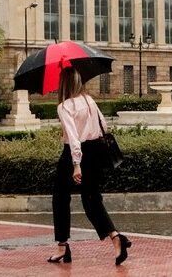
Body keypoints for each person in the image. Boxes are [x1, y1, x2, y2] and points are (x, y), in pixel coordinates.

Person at [48, 67, 131, 266]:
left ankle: (62, 246)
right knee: (92, 199)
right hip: (95, 153)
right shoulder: (89, 100)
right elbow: (104, 124)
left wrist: (76, 164)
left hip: (74, 155)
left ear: (63, 84)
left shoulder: (64, 106)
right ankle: (115, 237)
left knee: (60, 197)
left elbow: (74, 138)